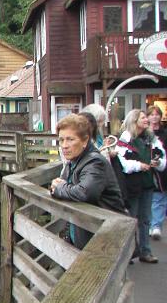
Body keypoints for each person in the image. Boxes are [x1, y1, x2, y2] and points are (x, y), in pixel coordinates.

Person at [50, 114, 126, 249]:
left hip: (106, 237)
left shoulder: (95, 162)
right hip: (87, 233)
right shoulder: (74, 161)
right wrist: (58, 187)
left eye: (70, 139)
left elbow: (84, 192)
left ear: (85, 141)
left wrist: (59, 188)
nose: (64, 145)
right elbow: (61, 186)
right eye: (61, 140)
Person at [115, 109, 166, 263]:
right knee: (131, 219)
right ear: (134, 120)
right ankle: (129, 252)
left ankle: (145, 251)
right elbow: (122, 161)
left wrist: (157, 163)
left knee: (145, 219)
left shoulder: (151, 139)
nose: (146, 119)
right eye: (143, 117)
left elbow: (161, 156)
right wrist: (139, 165)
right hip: (132, 185)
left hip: (148, 184)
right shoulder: (126, 138)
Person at [147, 105, 167, 240]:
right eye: (151, 114)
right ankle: (153, 225)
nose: (154, 117)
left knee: (160, 196)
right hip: (147, 169)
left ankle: (155, 225)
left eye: (156, 114)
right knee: (154, 198)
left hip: (163, 168)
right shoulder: (144, 134)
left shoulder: (164, 134)